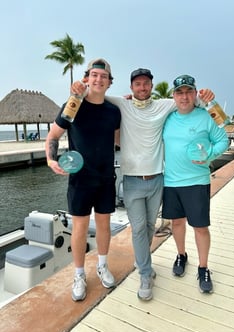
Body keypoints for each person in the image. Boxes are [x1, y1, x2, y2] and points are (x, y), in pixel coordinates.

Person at [71, 68, 214, 301]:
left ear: (152, 86)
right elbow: (96, 92)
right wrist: (79, 88)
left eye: (146, 83)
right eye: (137, 84)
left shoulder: (164, 105)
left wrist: (207, 96)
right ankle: (145, 274)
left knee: (149, 227)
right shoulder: (121, 103)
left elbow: (189, 100)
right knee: (138, 228)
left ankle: (142, 260)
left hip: (157, 179)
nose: (142, 88)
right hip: (133, 182)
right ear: (131, 88)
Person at [45, 58, 121, 301]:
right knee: (79, 227)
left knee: (104, 226)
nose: (98, 79)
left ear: (109, 83)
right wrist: (50, 159)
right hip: (80, 179)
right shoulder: (73, 105)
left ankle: (102, 265)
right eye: (94, 75)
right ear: (87, 78)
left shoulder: (113, 112)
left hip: (106, 178)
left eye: (103, 76)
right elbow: (53, 135)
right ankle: (79, 274)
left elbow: (119, 141)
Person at [161, 74, 229, 293]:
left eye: (189, 91)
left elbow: (223, 139)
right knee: (177, 223)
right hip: (171, 181)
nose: (184, 96)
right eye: (180, 92)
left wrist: (209, 156)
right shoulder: (167, 118)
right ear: (174, 96)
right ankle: (181, 255)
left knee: (200, 227)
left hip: (197, 181)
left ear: (195, 93)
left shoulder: (205, 116)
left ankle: (203, 267)